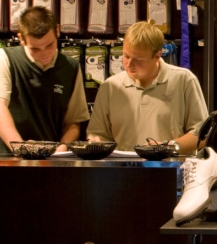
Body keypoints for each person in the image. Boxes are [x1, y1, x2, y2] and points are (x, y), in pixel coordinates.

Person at [87, 20, 207, 152]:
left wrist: (168, 147)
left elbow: (201, 135)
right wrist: (95, 141)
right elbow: (97, 134)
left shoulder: (184, 80)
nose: (129, 64)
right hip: (124, 170)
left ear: (157, 56)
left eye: (138, 60)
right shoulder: (109, 86)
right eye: (126, 56)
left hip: (172, 169)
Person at [0, 6, 89, 154]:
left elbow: (73, 122)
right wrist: (21, 148)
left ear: (57, 30)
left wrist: (62, 148)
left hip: (51, 161)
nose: (44, 54)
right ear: (21, 39)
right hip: (7, 159)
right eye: (35, 49)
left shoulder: (71, 67)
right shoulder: (2, 58)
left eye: (49, 45)